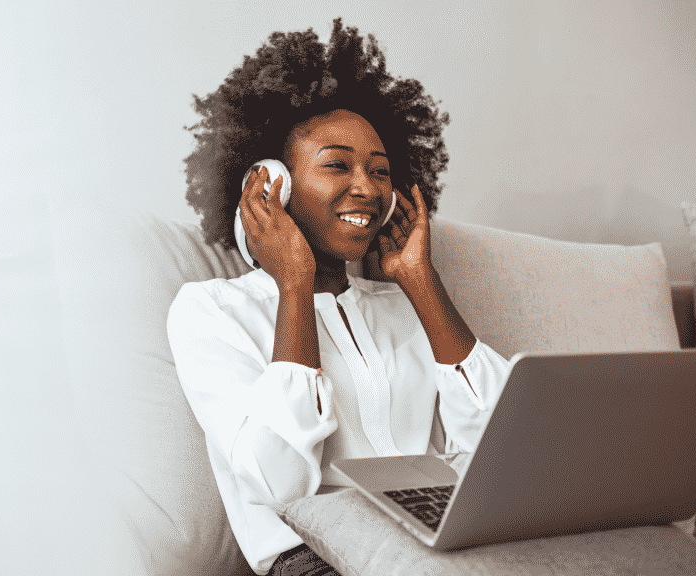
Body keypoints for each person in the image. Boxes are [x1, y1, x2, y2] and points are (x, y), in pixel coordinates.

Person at [167, 20, 510, 576]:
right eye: (336, 165)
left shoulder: (403, 306)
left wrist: (420, 281)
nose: (368, 189)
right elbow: (278, 484)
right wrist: (295, 283)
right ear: (271, 184)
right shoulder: (212, 310)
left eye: (381, 173)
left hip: (435, 541)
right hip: (315, 559)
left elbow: (501, 448)